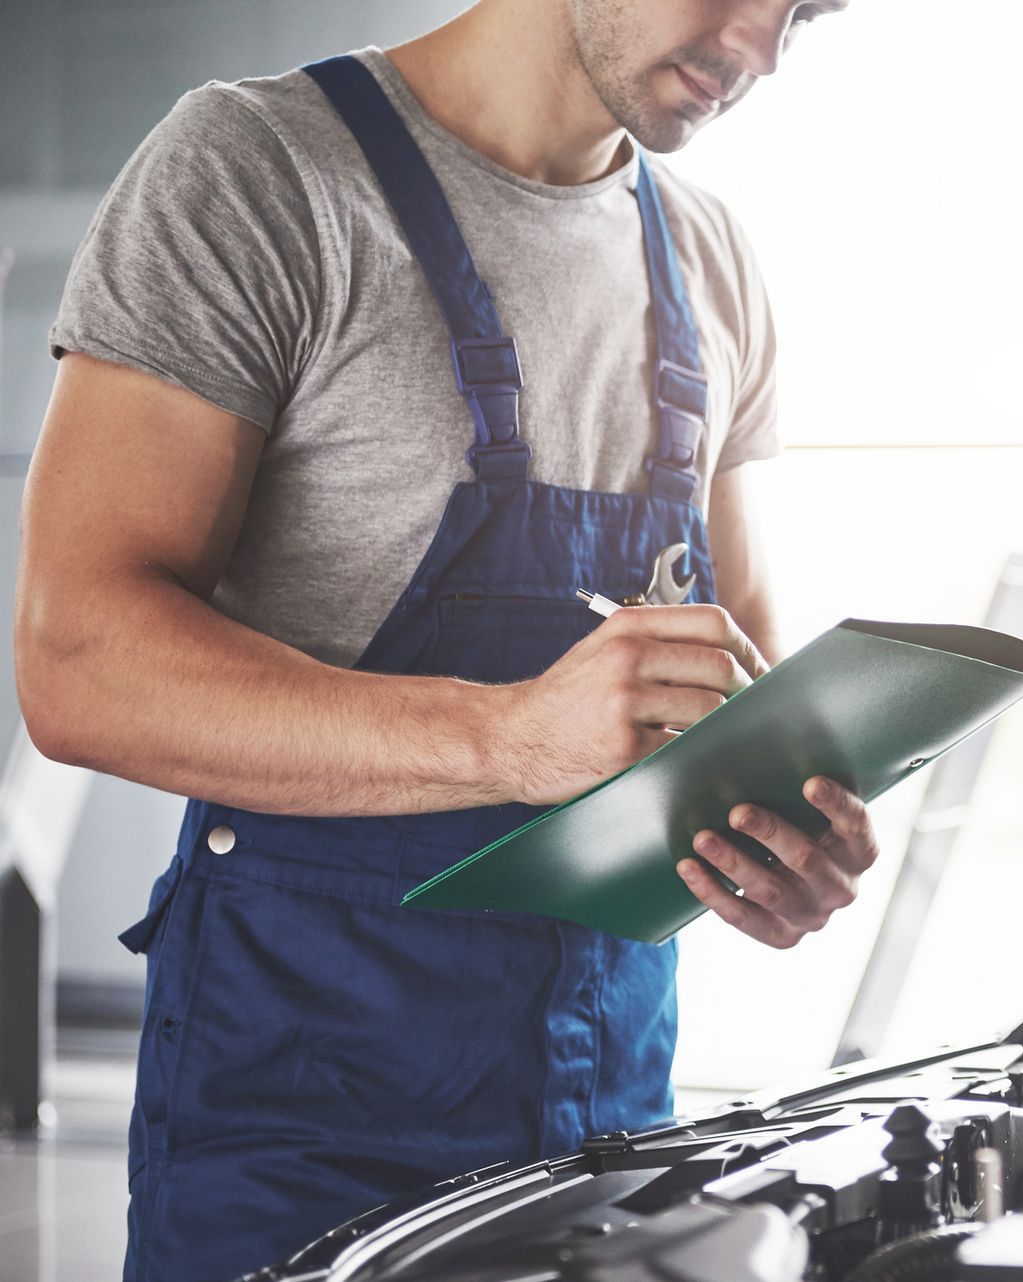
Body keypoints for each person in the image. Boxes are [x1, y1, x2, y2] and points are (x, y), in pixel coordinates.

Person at [14, 0, 867, 1277]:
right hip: (302, 1127)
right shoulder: (257, 172)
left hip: (616, 1125)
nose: (758, 48)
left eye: (806, 10)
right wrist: (508, 738)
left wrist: (778, 824)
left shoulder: (709, 256)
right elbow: (77, 663)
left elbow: (737, 677)